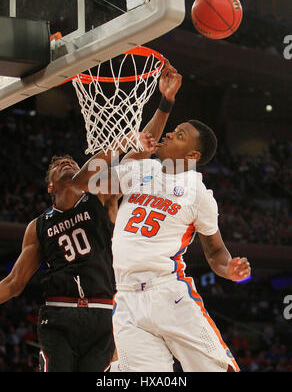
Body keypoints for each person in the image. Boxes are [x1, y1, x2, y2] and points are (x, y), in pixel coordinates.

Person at [0, 59, 179, 372]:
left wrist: (166, 101)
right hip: (59, 313)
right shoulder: (37, 227)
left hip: (102, 313)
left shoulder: (101, 194)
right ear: (50, 185)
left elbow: (141, 151)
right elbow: (13, 283)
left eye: (71, 161)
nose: (67, 163)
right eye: (59, 165)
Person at [87, 66, 252, 372]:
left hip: (168, 294)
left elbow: (215, 251)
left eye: (179, 135)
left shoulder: (198, 193)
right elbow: (96, 181)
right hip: (126, 299)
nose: (168, 135)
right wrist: (165, 103)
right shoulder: (141, 171)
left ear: (191, 156)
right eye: (173, 129)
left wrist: (228, 268)